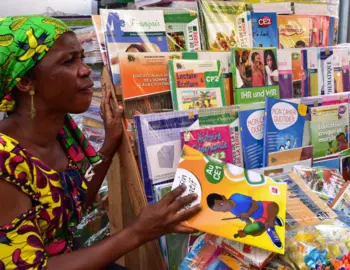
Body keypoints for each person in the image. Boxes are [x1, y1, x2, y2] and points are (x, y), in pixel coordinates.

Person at [0, 16, 201, 269]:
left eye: (82, 57)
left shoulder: (62, 130)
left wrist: (111, 142)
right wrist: (138, 231)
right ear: (25, 82)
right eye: (68, 61)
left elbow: (76, 201)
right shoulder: (5, 162)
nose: (85, 69)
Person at [206, 193, 283, 248]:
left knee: (272, 210)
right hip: (260, 219)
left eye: (221, 205)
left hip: (266, 207)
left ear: (223, 197)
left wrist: (248, 213)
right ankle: (273, 220)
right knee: (255, 233)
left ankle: (271, 227)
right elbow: (248, 222)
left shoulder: (237, 198)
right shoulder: (232, 211)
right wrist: (245, 231)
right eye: (219, 210)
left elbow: (255, 204)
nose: (223, 209)